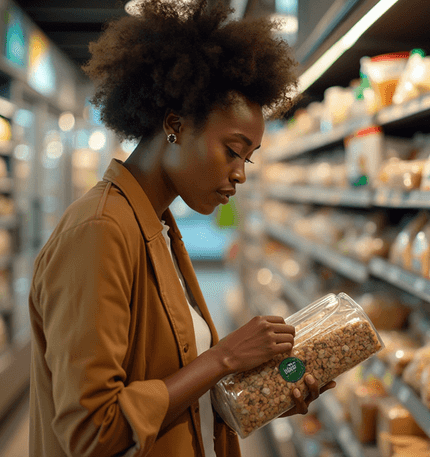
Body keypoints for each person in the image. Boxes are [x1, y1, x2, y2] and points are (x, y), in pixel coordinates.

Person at [28, 1, 336, 456]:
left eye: (247, 157)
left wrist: (259, 395)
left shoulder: (157, 225)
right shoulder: (100, 231)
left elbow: (163, 383)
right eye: (233, 150)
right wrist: (223, 357)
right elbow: (93, 432)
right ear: (174, 125)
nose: (241, 173)